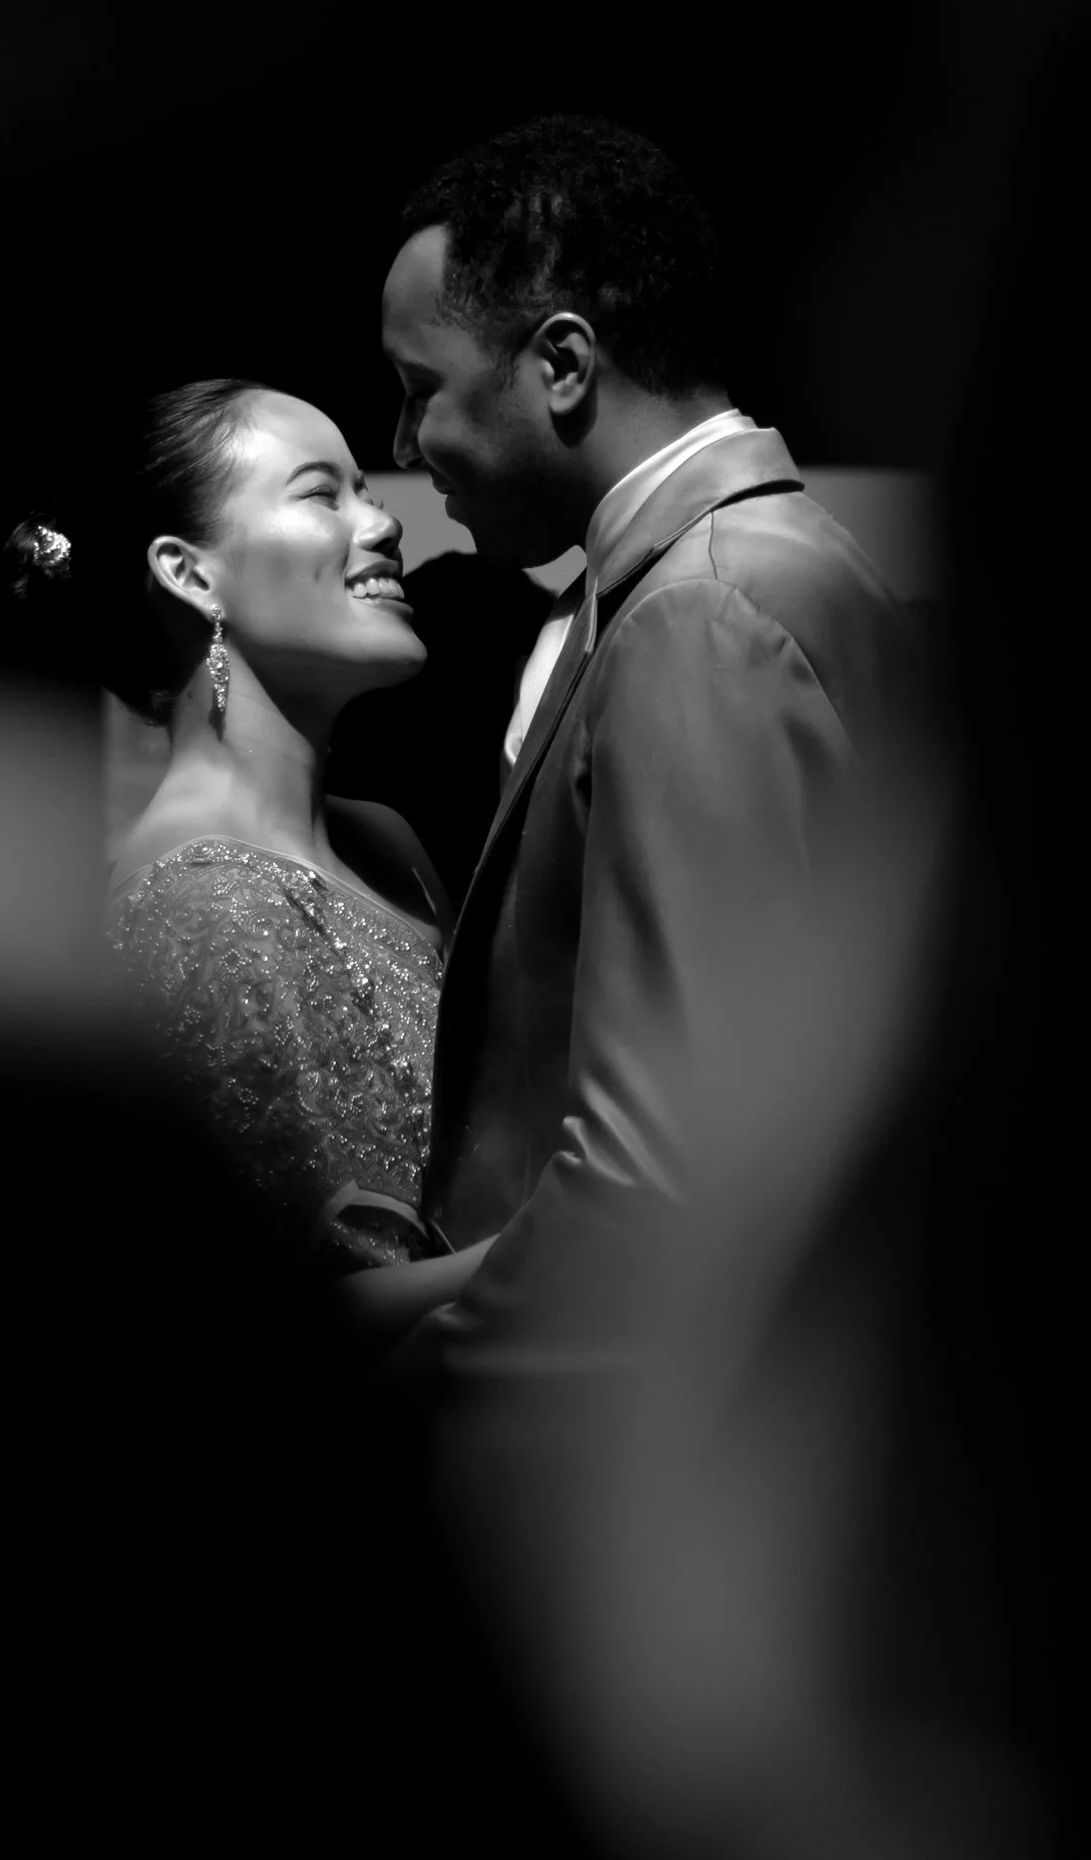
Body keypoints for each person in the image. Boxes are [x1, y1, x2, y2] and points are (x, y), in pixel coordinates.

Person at [371, 115, 913, 1374]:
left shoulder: (699, 614)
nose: (400, 449)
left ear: (562, 364)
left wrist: (389, 1350)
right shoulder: (772, 565)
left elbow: (654, 1187)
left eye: (417, 392)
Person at [5, 375, 460, 1272]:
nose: (381, 523)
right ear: (190, 574)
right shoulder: (198, 905)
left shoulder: (387, 841)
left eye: (366, 490)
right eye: (323, 494)